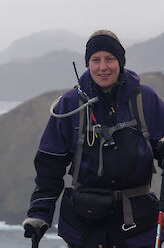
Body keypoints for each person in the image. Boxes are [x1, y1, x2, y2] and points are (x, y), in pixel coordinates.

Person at [22, 30, 164, 248]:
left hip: (138, 228)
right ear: (88, 64)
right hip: (84, 230)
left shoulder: (146, 100)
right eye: (95, 60)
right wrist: (39, 214)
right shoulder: (70, 105)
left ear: (121, 62)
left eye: (110, 59)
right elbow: (49, 166)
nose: (103, 67)